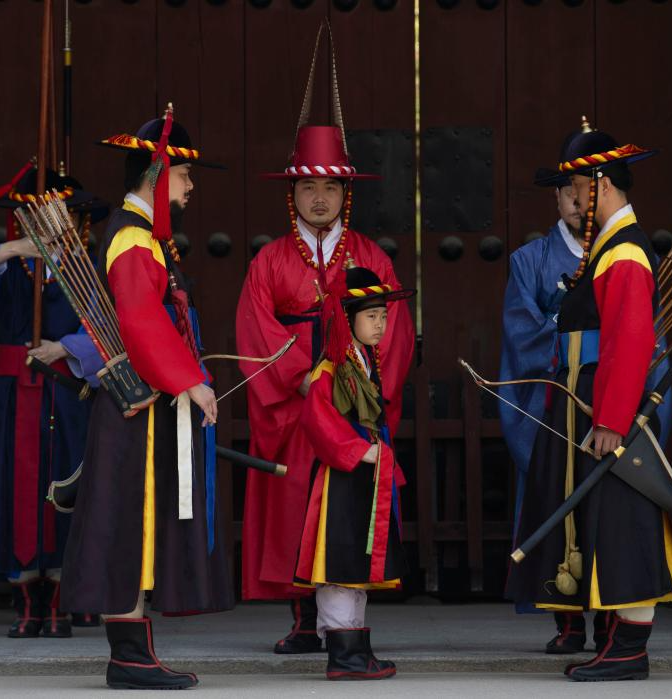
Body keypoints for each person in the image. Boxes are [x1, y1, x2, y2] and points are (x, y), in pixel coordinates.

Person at [236, 30, 414, 653]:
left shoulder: (369, 257)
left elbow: (394, 332)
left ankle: (343, 624)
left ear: (347, 193)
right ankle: (302, 619)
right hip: (292, 408)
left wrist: (359, 393)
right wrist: (303, 383)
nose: (319, 198)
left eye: (331, 188)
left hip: (349, 409)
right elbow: (257, 333)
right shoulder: (269, 263)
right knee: (294, 504)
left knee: (341, 512)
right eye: (308, 188)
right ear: (293, 194)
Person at [506, 120, 672, 682]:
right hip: (590, 394)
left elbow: (631, 343)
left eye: (580, 186)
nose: (574, 198)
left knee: (624, 517)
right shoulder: (608, 248)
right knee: (608, 517)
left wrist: (612, 419)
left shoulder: (624, 253)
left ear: (602, 185)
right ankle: (621, 642)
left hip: (606, 404)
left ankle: (630, 646)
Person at [60, 107, 232, 689]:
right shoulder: (133, 237)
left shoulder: (142, 237)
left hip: (141, 402)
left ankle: (132, 653)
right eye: (183, 177)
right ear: (157, 175)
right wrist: (192, 381)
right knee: (128, 518)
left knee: (131, 517)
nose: (190, 189)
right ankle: (129, 655)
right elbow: (139, 320)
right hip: (136, 405)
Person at [0, 163, 105, 638]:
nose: (50, 224)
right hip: (13, 396)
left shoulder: (85, 270)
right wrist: (15, 247)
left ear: (75, 219)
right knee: (15, 489)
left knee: (66, 488)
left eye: (60, 214)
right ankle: (25, 601)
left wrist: (65, 348)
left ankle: (61, 598)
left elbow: (108, 333)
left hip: (66, 394)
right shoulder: (8, 264)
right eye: (37, 215)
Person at [292, 267, 415, 680]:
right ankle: (343, 656)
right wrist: (358, 451)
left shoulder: (361, 364)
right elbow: (317, 419)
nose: (380, 324)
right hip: (340, 480)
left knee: (357, 566)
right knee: (340, 564)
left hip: (361, 476)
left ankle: (357, 651)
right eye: (371, 316)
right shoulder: (330, 369)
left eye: (383, 315)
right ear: (347, 319)